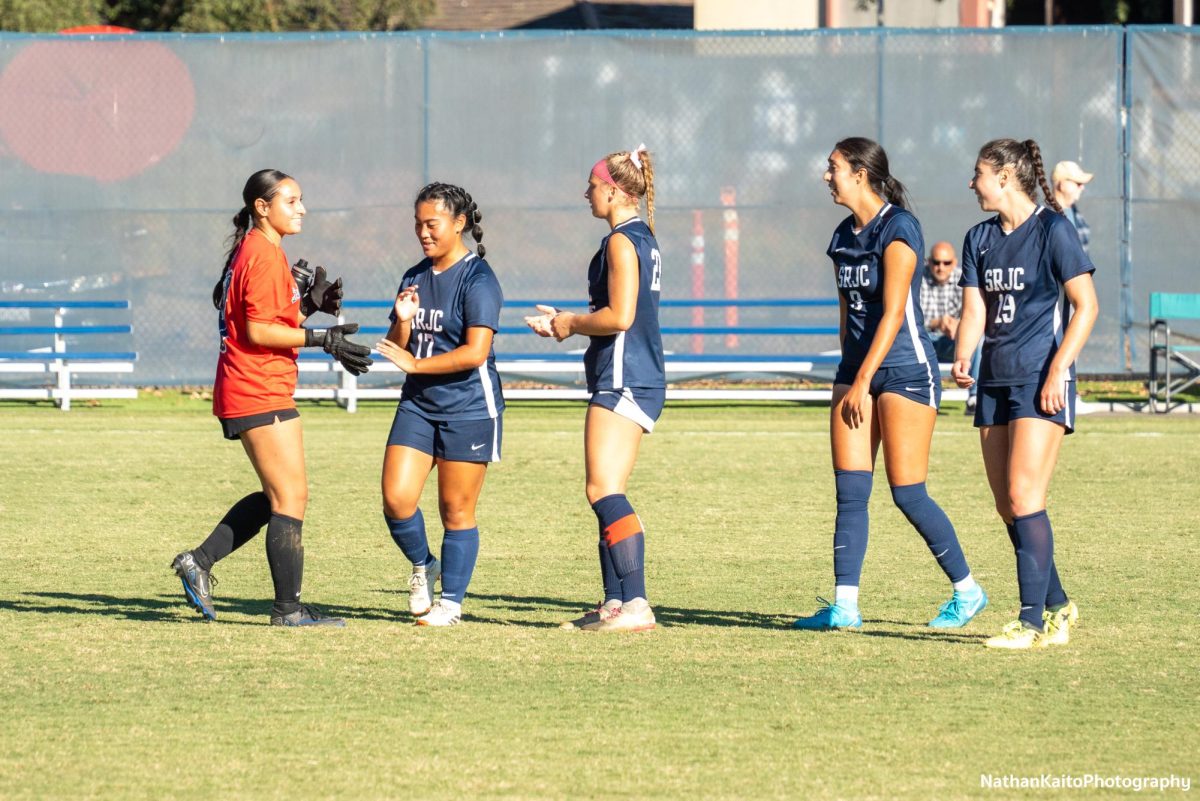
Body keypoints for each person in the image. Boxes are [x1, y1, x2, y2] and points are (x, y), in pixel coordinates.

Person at [792, 137, 987, 632]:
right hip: (855, 372)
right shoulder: (841, 235)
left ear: (860, 173)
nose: (826, 174)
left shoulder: (900, 228)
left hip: (904, 370)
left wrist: (862, 381)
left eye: (832, 166)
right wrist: (849, 374)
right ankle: (845, 608)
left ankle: (967, 591)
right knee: (851, 490)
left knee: (908, 492)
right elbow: (847, 316)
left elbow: (895, 313)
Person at [171, 168, 373, 627]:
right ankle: (287, 610)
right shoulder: (261, 253)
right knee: (290, 497)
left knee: (280, 494)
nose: (301, 208)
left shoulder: (263, 251)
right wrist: (323, 337)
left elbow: (267, 320)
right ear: (262, 207)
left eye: (301, 200)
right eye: (291, 201)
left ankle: (199, 561)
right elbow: (258, 331)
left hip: (260, 383)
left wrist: (307, 307)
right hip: (254, 385)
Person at [955, 139, 1098, 650]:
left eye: (978, 174)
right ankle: (1059, 605)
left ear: (1005, 177)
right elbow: (974, 311)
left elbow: (1086, 306)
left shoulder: (1053, 230)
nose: (971, 183)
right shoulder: (979, 239)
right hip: (995, 380)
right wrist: (962, 356)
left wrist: (1060, 367)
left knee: (1024, 495)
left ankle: (1031, 622)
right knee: (1007, 505)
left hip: (1042, 378)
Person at [525, 145, 664, 633]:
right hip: (634, 373)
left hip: (625, 375)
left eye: (592, 183)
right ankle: (615, 603)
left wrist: (569, 324)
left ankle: (636, 603)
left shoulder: (621, 242)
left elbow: (620, 317)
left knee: (602, 489)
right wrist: (569, 321)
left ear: (614, 190)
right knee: (606, 489)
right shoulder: (640, 237)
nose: (586, 191)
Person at [375, 182, 504, 627]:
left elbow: (475, 353)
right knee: (396, 499)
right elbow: (396, 347)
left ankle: (450, 603)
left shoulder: (479, 279)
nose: (423, 233)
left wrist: (414, 364)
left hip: (468, 407)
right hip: (418, 405)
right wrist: (404, 323)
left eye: (432, 224)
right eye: (417, 225)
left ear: (459, 223)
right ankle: (422, 564)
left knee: (456, 510)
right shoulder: (413, 276)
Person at [919, 241, 981, 413]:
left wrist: (958, 325)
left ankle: (974, 398)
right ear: (929, 262)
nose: (941, 267)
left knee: (977, 340)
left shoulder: (964, 278)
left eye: (946, 263)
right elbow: (912, 317)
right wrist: (937, 322)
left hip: (955, 340)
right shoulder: (919, 279)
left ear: (954, 263)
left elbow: (973, 314)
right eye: (936, 262)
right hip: (928, 339)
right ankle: (923, 397)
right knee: (913, 338)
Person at [1051, 160, 1092, 256]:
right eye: (1078, 183)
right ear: (1062, 185)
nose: (1082, 188)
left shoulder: (1078, 216)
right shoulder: (1043, 218)